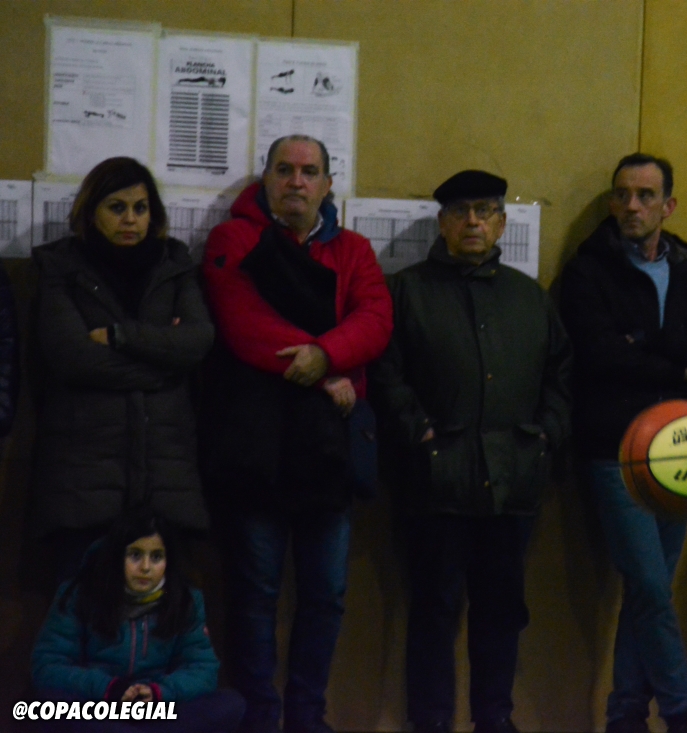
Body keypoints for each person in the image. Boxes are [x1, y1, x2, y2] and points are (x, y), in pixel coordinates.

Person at [201, 134, 393, 733]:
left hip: (327, 447)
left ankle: (308, 715)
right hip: (256, 442)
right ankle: (259, 715)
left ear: (328, 185)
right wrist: (324, 367)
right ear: (265, 178)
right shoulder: (233, 240)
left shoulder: (354, 250)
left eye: (309, 172)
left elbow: (375, 319)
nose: (296, 181)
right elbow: (243, 323)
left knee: (326, 593)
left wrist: (327, 354)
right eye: (284, 169)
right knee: (255, 591)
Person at [370, 170, 571, 733]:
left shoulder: (529, 298)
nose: (473, 222)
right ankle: (431, 723)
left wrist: (547, 435)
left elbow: (560, 375)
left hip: (512, 483)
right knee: (433, 612)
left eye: (485, 211)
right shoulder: (406, 291)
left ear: (502, 223)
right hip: (434, 486)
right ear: (443, 223)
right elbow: (384, 374)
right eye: (461, 212)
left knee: (501, 614)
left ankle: (495, 719)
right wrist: (417, 431)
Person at [559, 154, 687, 733]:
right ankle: (686, 713)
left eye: (646, 195)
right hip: (617, 447)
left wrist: (649, 341)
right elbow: (602, 355)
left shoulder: (684, 263)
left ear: (668, 205)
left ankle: (625, 713)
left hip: (681, 445)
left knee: (647, 590)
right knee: (652, 588)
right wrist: (677, 357)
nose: (632, 206)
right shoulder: (589, 271)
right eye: (623, 194)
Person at [32, 157, 214, 582]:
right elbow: (74, 358)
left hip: (165, 476)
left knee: (160, 613)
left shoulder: (175, 265)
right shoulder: (62, 267)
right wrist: (164, 367)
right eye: (117, 207)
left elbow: (198, 339)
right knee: (79, 605)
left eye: (140, 208)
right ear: (91, 212)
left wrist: (120, 337)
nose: (130, 219)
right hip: (83, 476)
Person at [32, 509, 245, 732]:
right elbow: (47, 666)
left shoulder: (185, 599)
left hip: (158, 710)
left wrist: (159, 693)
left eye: (156, 557)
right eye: (135, 555)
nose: (145, 567)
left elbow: (203, 669)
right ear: (117, 556)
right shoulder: (81, 592)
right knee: (48, 704)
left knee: (230, 704)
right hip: (100, 706)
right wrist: (109, 689)